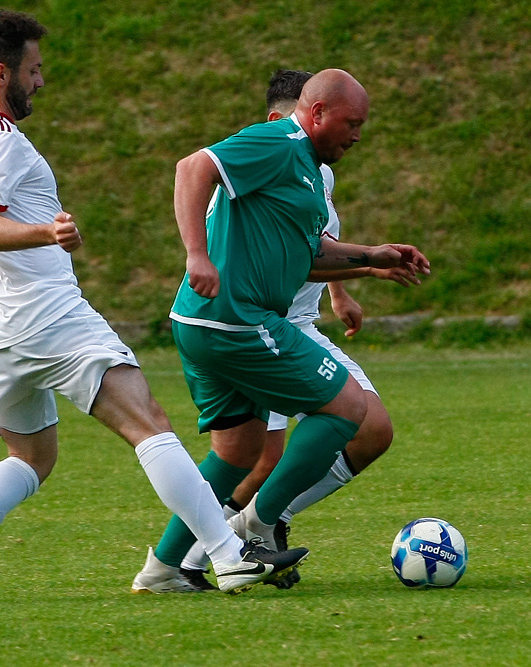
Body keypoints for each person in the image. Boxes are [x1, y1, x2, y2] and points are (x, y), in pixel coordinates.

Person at [0, 9, 306, 602]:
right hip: (48, 318)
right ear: (0, 73)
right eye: (33, 70)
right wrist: (44, 232)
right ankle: (230, 557)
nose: (40, 81)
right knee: (150, 424)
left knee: (34, 457)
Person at [132, 68, 430, 590]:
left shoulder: (310, 169)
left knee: (237, 451)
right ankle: (255, 526)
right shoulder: (279, 139)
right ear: (316, 113)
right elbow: (190, 168)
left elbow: (308, 253)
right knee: (349, 408)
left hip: (203, 322)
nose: (357, 134)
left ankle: (162, 569)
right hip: (236, 319)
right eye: (351, 123)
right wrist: (197, 254)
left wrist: (371, 257)